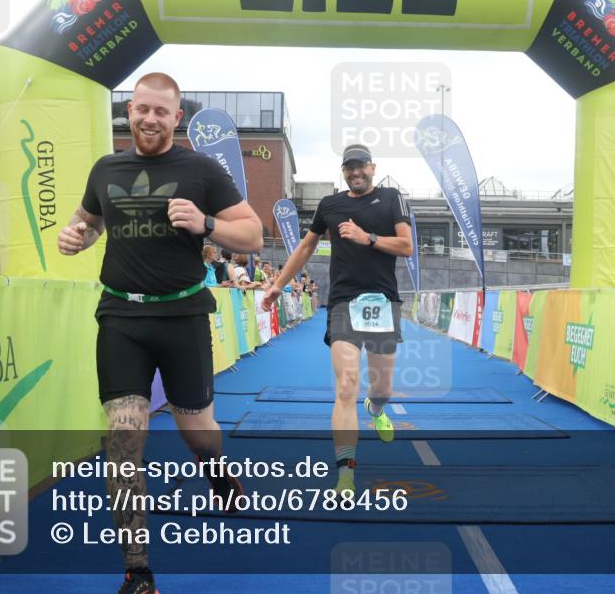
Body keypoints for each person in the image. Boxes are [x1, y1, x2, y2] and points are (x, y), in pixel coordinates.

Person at [56, 72, 263, 594]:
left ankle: (216, 470)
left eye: (161, 111)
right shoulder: (107, 168)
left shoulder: (201, 169)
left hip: (182, 315)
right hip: (121, 317)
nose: (149, 118)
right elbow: (90, 220)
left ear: (177, 118)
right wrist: (76, 235)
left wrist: (206, 224)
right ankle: (138, 571)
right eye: (141, 109)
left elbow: (254, 235)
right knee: (124, 439)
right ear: (129, 111)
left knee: (198, 434)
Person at [262, 143, 412, 494]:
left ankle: (375, 408)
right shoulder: (330, 205)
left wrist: (367, 237)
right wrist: (278, 286)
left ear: (373, 167)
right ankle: (346, 472)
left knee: (383, 388)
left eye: (361, 166)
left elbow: (407, 247)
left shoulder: (392, 198)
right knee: (346, 384)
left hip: (382, 302)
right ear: (343, 171)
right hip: (344, 302)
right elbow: (305, 247)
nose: (355, 172)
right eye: (349, 167)